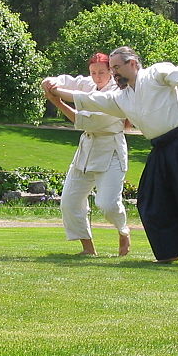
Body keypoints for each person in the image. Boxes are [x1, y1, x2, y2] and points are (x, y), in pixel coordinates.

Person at [46, 46, 178, 267]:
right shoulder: (121, 98)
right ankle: (171, 251)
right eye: (111, 69)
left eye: (116, 68)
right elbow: (89, 100)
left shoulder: (156, 73)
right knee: (151, 200)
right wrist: (55, 92)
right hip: (160, 147)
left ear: (132, 64)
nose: (114, 73)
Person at [41, 53, 131, 257]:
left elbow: (88, 121)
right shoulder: (88, 84)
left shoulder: (117, 94)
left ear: (111, 72)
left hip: (112, 150)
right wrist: (50, 82)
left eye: (101, 72)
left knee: (107, 204)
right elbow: (68, 80)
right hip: (87, 150)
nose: (97, 76)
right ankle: (88, 249)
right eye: (93, 72)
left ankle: (123, 231)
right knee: (70, 202)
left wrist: (56, 100)